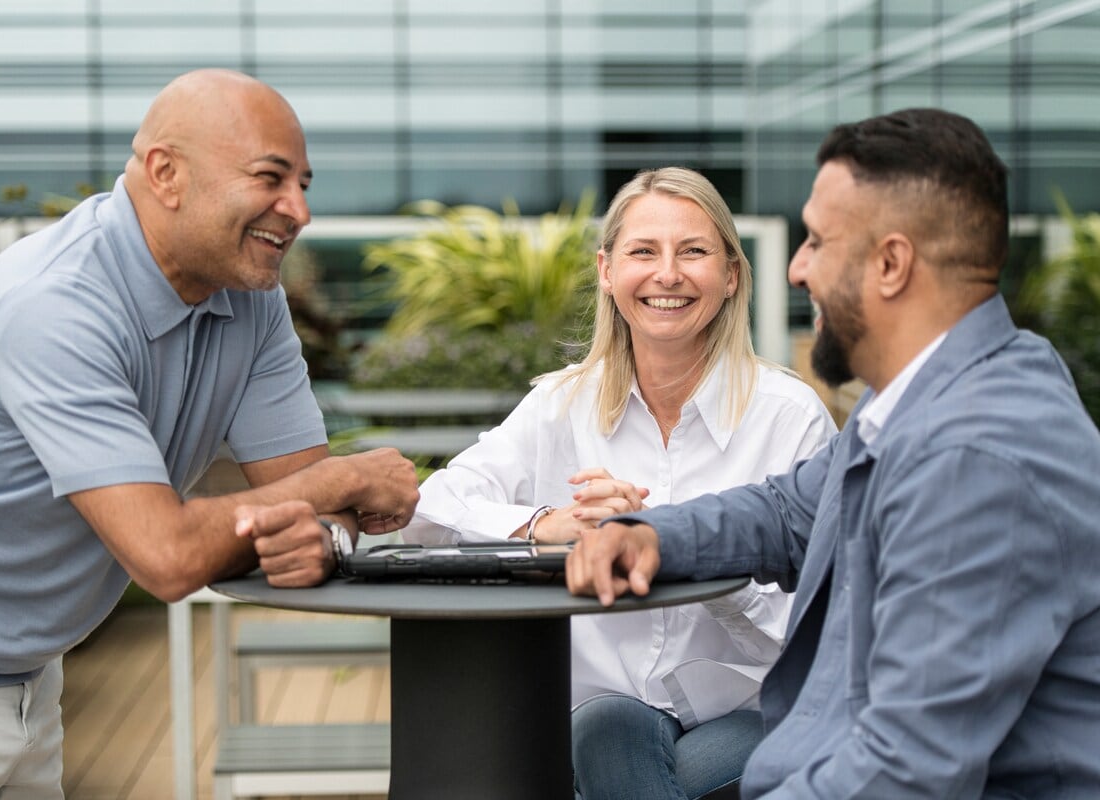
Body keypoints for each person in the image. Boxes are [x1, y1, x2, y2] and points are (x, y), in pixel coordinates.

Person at [0, 69, 419, 796]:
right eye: (271, 177)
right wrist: (344, 479)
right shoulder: (53, 307)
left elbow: (306, 509)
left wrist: (323, 531)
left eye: (303, 183)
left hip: (29, 682)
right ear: (166, 174)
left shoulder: (249, 298)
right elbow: (169, 557)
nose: (298, 210)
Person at [567, 108, 1100, 799]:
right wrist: (648, 534)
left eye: (816, 241)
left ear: (890, 263)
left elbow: (903, 772)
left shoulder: (977, 457)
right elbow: (788, 511)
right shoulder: (916, 401)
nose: (795, 269)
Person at [404, 166, 836, 799]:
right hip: (605, 708)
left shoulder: (791, 417)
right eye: (643, 252)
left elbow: (823, 622)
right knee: (607, 728)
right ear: (607, 272)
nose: (668, 274)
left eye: (693, 251)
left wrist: (691, 552)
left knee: (623, 769)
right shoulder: (561, 404)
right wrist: (545, 525)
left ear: (732, 275)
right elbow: (427, 511)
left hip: (755, 706)